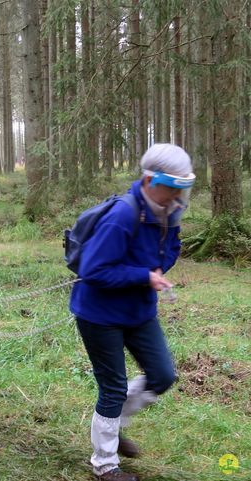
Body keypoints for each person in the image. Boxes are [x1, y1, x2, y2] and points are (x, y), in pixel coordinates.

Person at [70, 144, 195, 481]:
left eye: (183, 188)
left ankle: (115, 424)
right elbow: (94, 271)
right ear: (151, 179)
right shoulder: (122, 215)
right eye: (174, 187)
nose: (178, 196)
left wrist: (155, 270)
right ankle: (105, 465)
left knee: (162, 375)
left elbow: (170, 251)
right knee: (112, 387)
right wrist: (144, 275)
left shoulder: (168, 211)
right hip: (99, 314)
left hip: (138, 311)